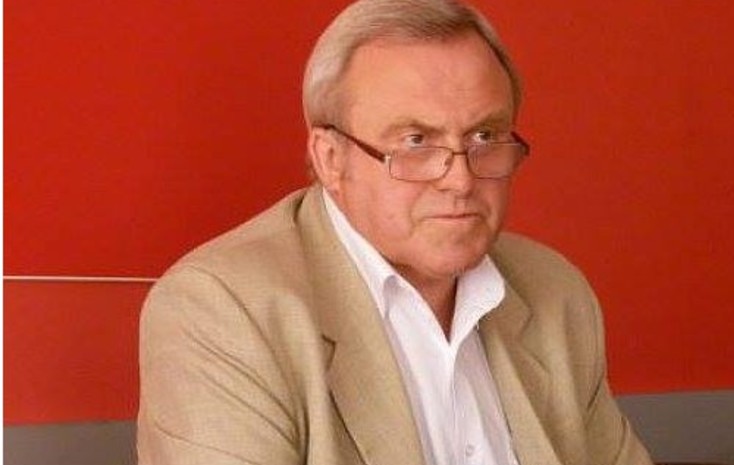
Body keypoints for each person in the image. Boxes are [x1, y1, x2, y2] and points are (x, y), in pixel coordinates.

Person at [137, 0, 653, 464]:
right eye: (416, 141)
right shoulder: (223, 310)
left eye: (485, 135)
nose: (460, 179)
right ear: (331, 158)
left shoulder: (554, 292)